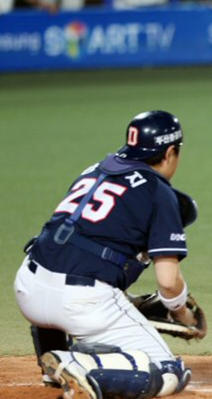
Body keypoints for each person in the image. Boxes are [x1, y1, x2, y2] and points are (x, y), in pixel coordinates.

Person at [14, 111, 197, 397]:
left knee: (75, 254)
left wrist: (129, 302)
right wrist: (182, 313)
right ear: (171, 151)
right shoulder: (159, 192)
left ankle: (53, 352)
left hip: (28, 289)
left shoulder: (95, 170)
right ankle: (73, 361)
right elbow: (168, 282)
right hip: (81, 305)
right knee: (169, 371)